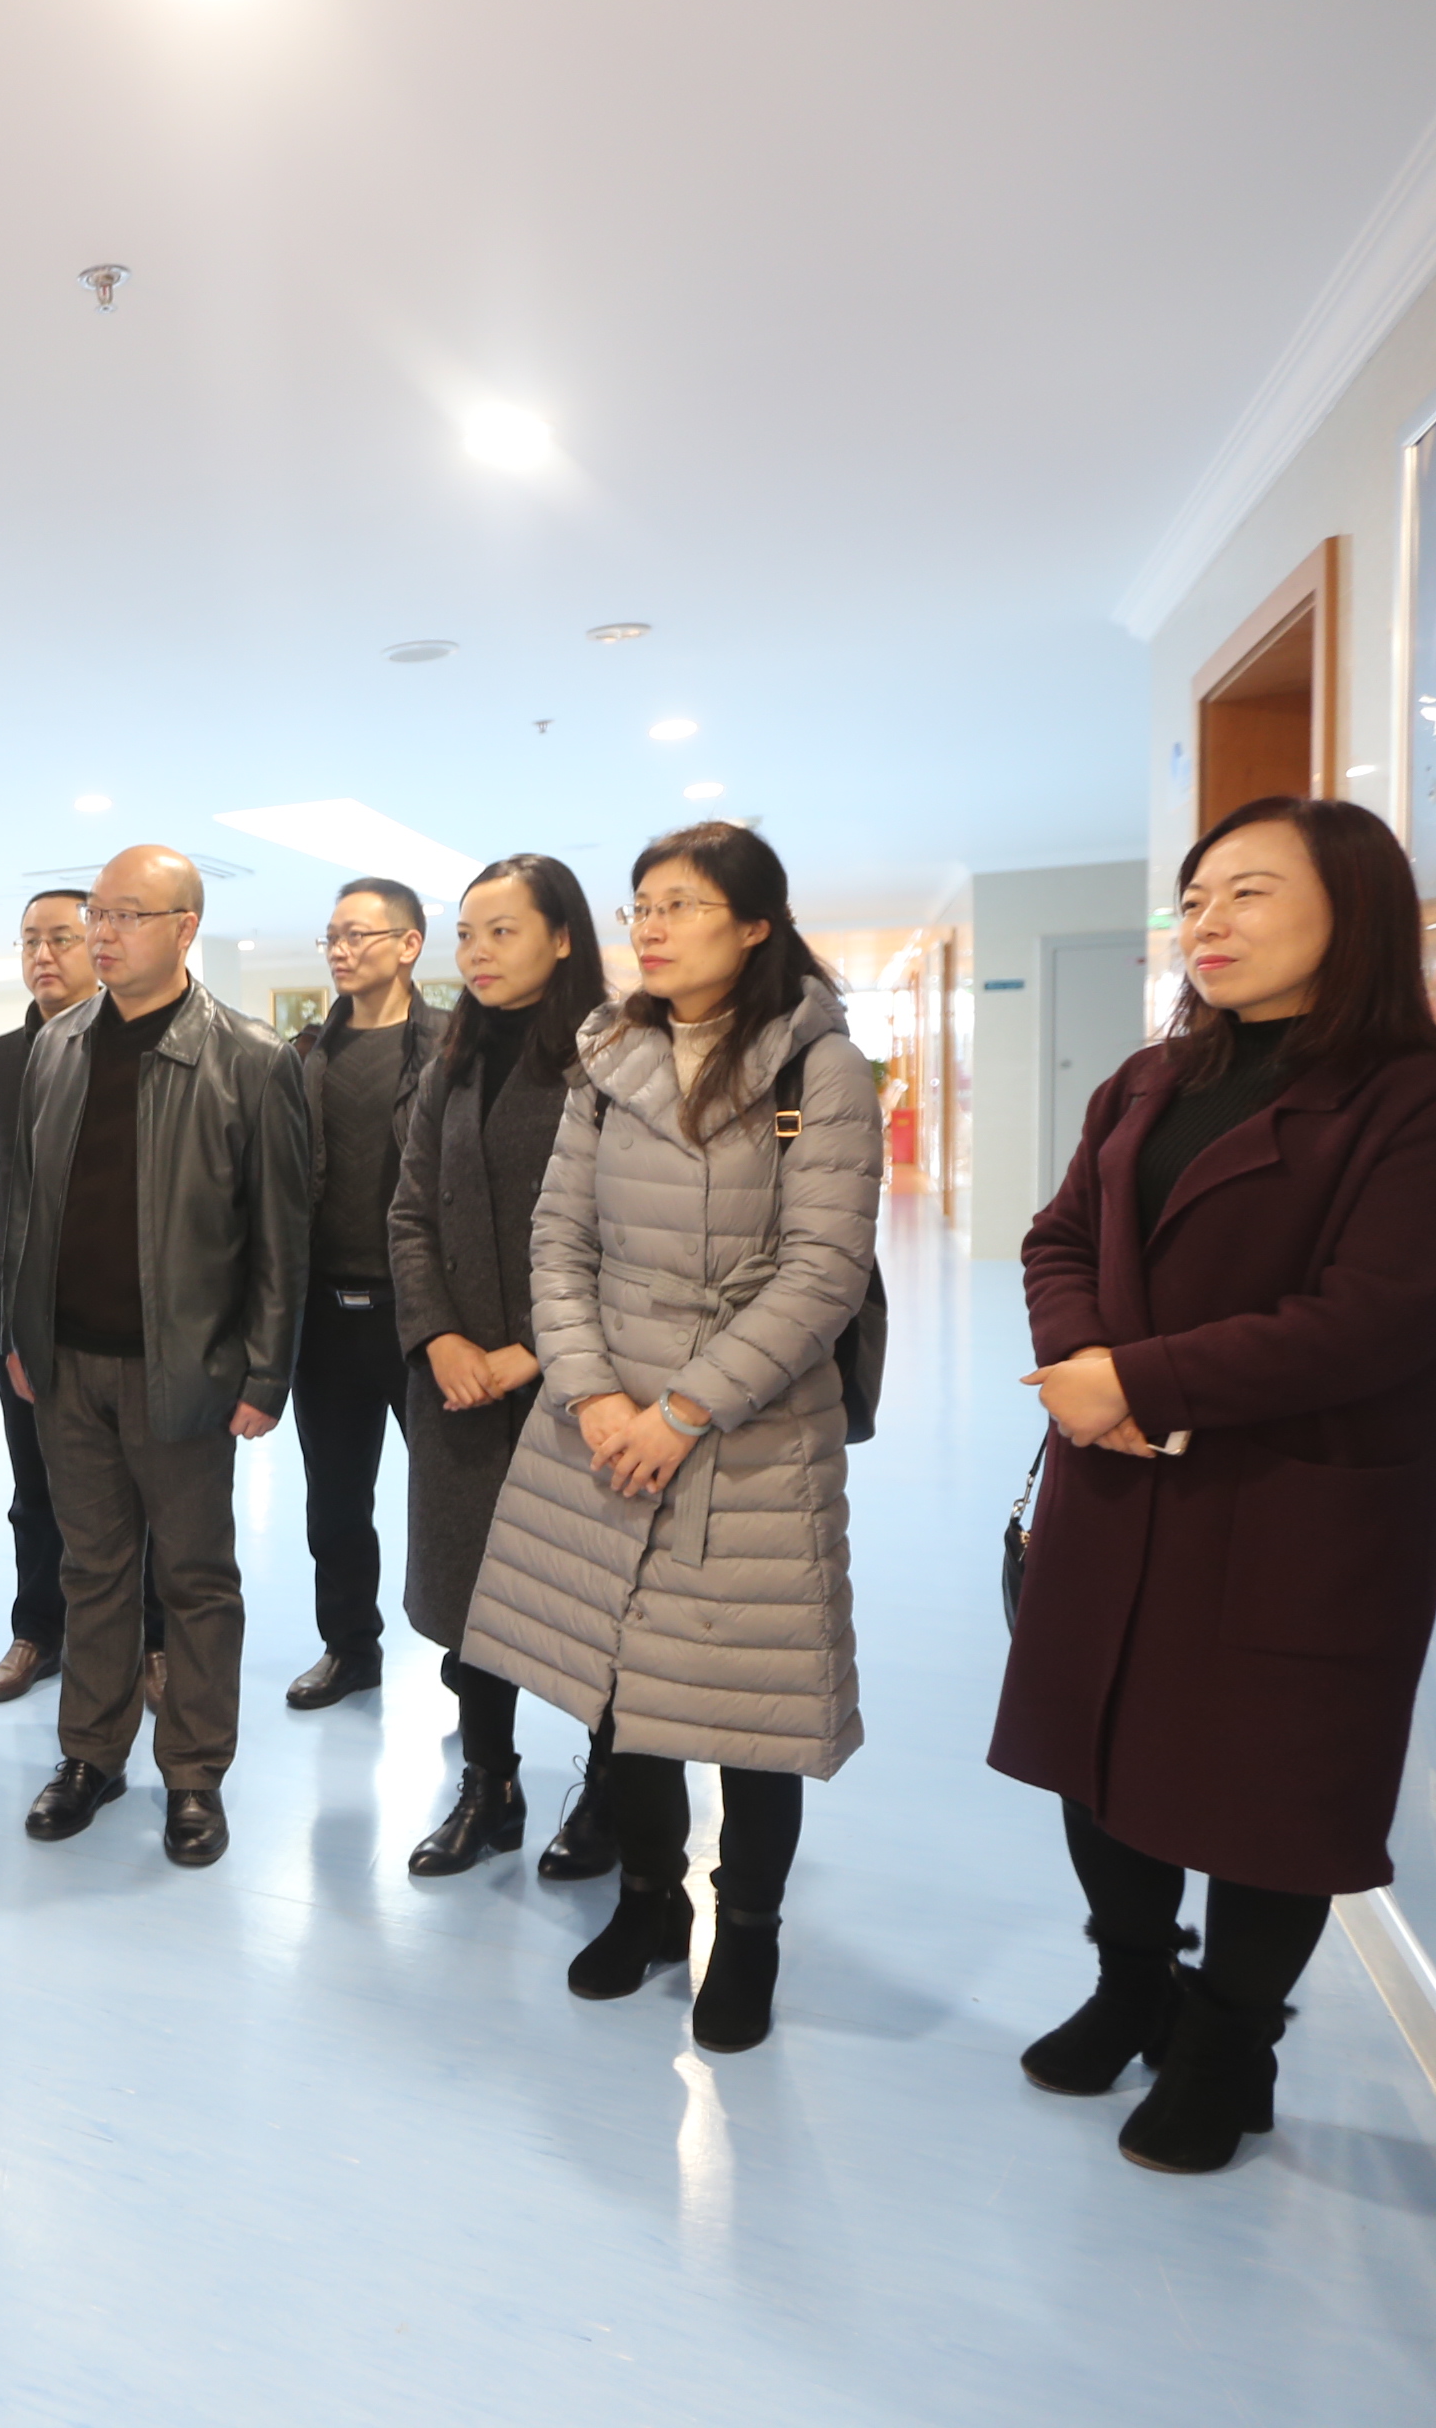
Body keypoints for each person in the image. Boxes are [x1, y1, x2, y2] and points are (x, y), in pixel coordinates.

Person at [995, 797, 1436, 2173]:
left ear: (1356, 908)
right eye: (1196, 897)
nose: (1208, 922)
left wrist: (1136, 1381)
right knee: (1100, 1746)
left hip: (1295, 1500)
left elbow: (1379, 1316)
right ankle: (1131, 1985)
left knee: (1269, 1781)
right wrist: (1082, 1362)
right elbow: (1058, 1237)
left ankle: (1230, 2045)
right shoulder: (1148, 1079)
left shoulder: (1431, 1097)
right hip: (1117, 1487)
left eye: (1250, 892)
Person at [462, 820, 880, 2053]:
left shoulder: (820, 1068)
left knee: (748, 1704)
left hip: (748, 1430)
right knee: (615, 1685)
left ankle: (746, 1930)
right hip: (600, 1421)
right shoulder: (608, 1052)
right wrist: (593, 1394)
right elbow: (558, 1240)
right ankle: (648, 1898)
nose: (649, 925)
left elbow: (822, 1273)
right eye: (641, 903)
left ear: (754, 925)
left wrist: (684, 1408)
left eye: (682, 904)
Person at [0, 843, 311, 1868]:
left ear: (185, 928)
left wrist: (266, 1372)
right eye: (97, 912)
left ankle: (195, 1771)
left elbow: (281, 1236)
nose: (101, 932)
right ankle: (91, 1754)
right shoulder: (57, 1046)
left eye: (126, 914)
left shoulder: (250, 1057)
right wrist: (18, 1333)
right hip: (66, 1364)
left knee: (195, 1577)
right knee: (91, 1569)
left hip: (185, 1370)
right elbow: (24, 1211)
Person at [384, 855, 618, 1879]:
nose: (476, 953)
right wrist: (439, 1336)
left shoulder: (617, 1057)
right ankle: (490, 1787)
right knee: (473, 1599)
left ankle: (610, 1791)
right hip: (460, 1385)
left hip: (581, 1382)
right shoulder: (455, 1058)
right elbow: (408, 1213)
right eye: (465, 934)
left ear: (563, 938)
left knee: (595, 1598)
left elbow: (634, 1234)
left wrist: (534, 1350)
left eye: (502, 931)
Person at [0, 888, 168, 1703]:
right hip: (25, 1309)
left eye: (61, 939)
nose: (43, 956)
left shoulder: (144, 1049)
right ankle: (38, 1632)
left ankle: (154, 1641)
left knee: (145, 1486)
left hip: (132, 1311)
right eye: (29, 942)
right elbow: (0, 1188)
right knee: (36, 1484)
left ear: (101, 946)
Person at [283, 876, 452, 1711]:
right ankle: (350, 1648)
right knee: (335, 1504)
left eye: (359, 935)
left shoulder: (453, 1049)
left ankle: (471, 1664)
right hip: (324, 1318)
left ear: (409, 945)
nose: (342, 951)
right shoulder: (306, 1056)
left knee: (451, 1503)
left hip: (425, 1319)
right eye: (333, 937)